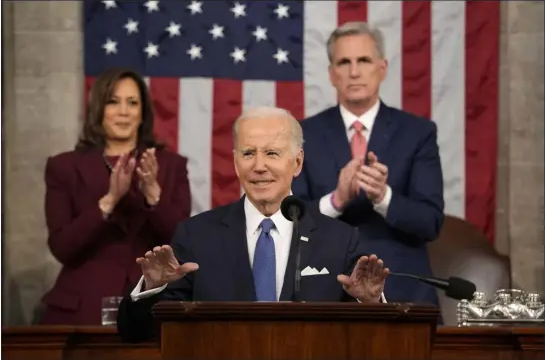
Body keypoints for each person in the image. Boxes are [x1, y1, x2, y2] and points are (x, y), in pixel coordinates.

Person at [116, 106, 390, 343]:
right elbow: (137, 332)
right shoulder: (196, 236)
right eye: (248, 154)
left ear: (297, 162)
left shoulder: (339, 241)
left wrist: (369, 304)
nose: (259, 166)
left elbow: (371, 341)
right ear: (236, 163)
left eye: (272, 153)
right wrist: (153, 287)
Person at [291, 22, 444, 306]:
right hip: (324, 289)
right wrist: (336, 201)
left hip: (401, 289)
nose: (354, 71)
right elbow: (288, 220)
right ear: (331, 74)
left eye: (363, 60)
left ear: (382, 68)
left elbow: (430, 222)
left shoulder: (418, 133)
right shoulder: (303, 134)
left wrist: (383, 197)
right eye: (343, 62)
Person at [40, 67, 191, 325]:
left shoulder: (170, 165)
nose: (123, 111)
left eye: (132, 103)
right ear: (99, 108)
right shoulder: (64, 167)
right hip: (82, 309)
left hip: (151, 308)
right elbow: (62, 247)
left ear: (143, 112)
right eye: (113, 101)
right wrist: (108, 201)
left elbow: (181, 242)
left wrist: (153, 194)